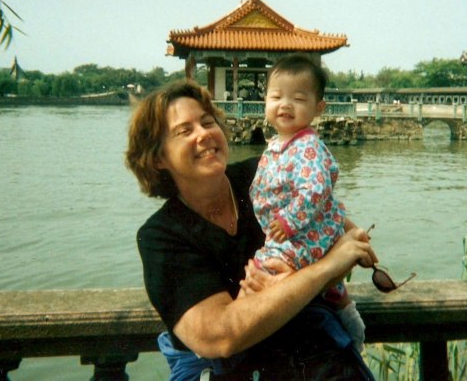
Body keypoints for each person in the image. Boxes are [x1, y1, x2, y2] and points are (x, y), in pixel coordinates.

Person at [126, 80, 377, 380]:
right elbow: (220, 337)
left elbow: (353, 240)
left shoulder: (264, 175)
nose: (204, 134)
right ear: (157, 157)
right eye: (185, 131)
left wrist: (285, 283)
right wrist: (320, 270)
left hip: (304, 357)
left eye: (208, 122)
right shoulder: (161, 235)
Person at [249, 54, 366, 351]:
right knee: (328, 288)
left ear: (318, 108)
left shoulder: (307, 145)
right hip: (296, 229)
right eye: (276, 96)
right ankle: (346, 312)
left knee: (260, 271)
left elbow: (315, 189)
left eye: (298, 99)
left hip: (302, 231)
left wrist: (288, 220)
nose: (285, 104)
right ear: (266, 101)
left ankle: (231, 331)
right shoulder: (277, 145)